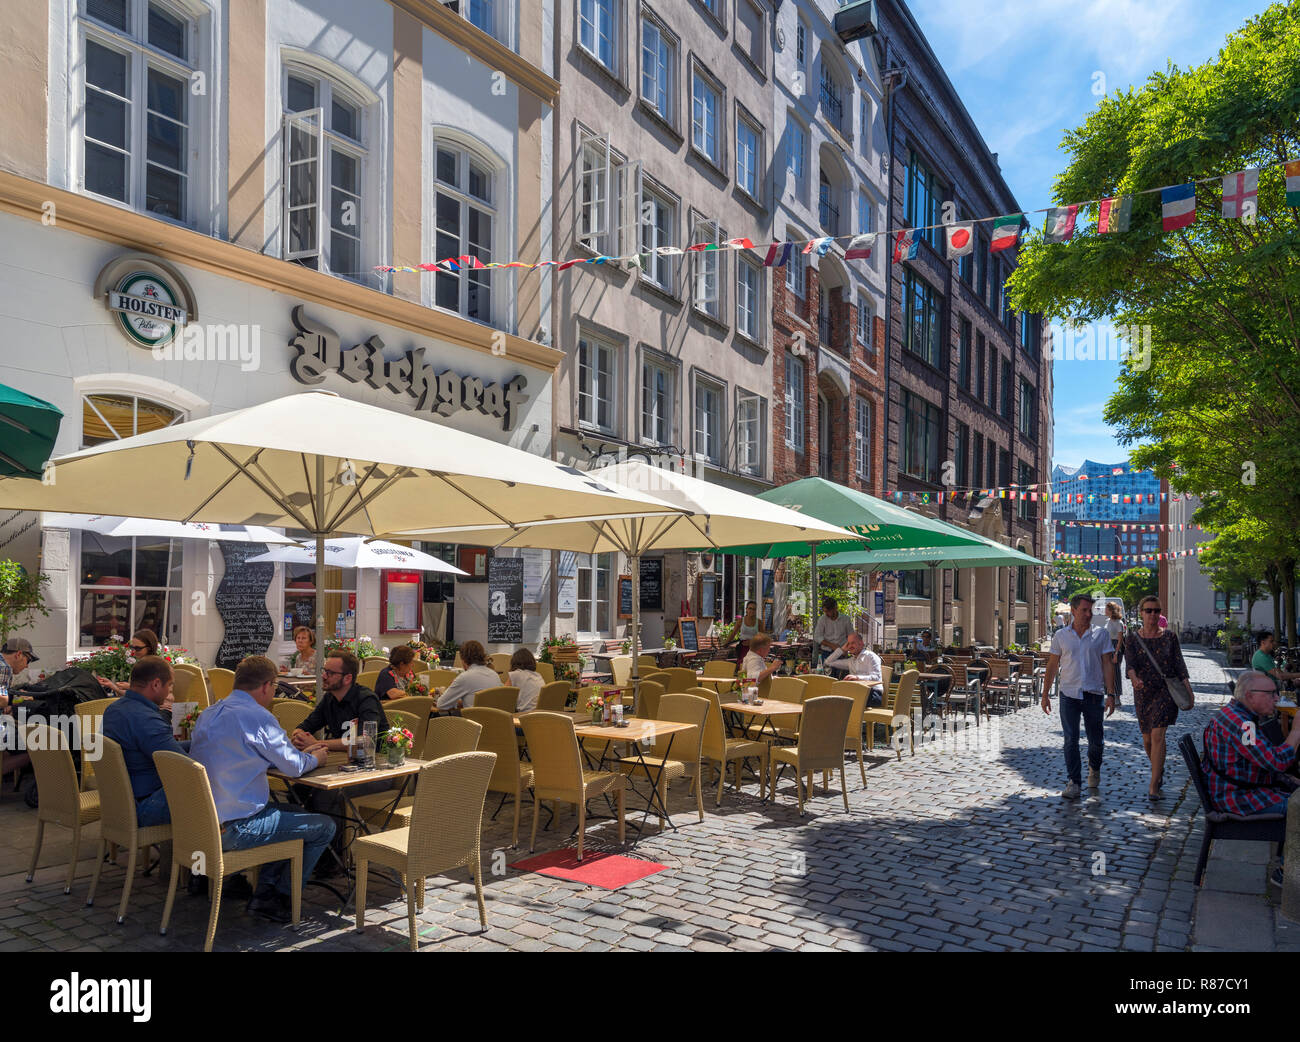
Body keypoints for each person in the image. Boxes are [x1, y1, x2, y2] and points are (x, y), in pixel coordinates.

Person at [188, 655, 333, 923]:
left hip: (201, 823)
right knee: (324, 826)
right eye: (275, 688)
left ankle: (265, 890)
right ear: (267, 686)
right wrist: (317, 758)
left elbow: (241, 752)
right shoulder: (257, 717)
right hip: (235, 827)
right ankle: (276, 898)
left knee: (292, 811)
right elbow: (294, 767)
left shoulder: (210, 712)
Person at [1041, 593, 1119, 799]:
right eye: (1084, 610)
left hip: (1094, 693)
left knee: (1096, 741)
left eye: (1090, 610)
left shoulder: (1100, 634)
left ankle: (1094, 767)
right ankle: (1074, 781)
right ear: (1073, 611)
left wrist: (1111, 694)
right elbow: (1052, 665)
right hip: (1069, 694)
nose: (1088, 614)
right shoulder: (1061, 636)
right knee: (1070, 739)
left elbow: (1107, 664)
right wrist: (1045, 693)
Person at [101, 656, 189, 827]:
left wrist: (196, 743)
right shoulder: (148, 721)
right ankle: (205, 846)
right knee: (212, 784)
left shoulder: (113, 709)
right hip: (145, 806)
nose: (170, 693)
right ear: (156, 684)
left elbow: (160, 748)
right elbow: (185, 767)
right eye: (170, 685)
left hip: (121, 801)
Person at [1202, 669, 1300, 819]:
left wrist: (1284, 778)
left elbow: (1262, 759)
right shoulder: (1243, 725)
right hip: (1241, 800)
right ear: (1249, 695)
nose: (1276, 698)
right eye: (1271, 693)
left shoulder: (1237, 715)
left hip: (1241, 791)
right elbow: (1277, 762)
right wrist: (1296, 731)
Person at [1122, 595, 1191, 800]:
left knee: (1158, 735)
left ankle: (1153, 785)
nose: (1153, 614)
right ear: (1141, 613)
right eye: (1149, 610)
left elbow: (1180, 665)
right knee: (1147, 738)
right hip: (1143, 692)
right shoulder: (1133, 638)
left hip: (1165, 691)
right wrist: (1134, 679)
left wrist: (1189, 689)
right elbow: (1130, 665)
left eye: (1156, 611)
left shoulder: (1170, 637)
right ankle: (1158, 771)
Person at [290, 650, 388, 753]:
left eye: (330, 673)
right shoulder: (329, 698)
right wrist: (298, 737)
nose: (323, 676)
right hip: (340, 760)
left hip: (372, 762)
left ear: (347, 678)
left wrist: (316, 743)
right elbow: (305, 726)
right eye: (324, 671)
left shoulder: (366, 699)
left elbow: (364, 741)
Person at [435, 641, 500, 711]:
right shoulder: (495, 675)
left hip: (472, 720)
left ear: (463, 659)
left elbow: (441, 705)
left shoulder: (465, 677)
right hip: (494, 719)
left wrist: (442, 691)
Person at [825, 632, 884, 706]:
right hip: (856, 692)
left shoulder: (871, 656)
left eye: (853, 643)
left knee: (843, 700)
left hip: (873, 693)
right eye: (848, 644)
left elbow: (876, 677)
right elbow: (828, 662)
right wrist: (842, 649)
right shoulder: (850, 661)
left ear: (861, 643)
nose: (850, 646)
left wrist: (857, 678)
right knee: (835, 696)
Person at [97, 629, 159, 696]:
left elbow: (154, 694)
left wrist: (131, 687)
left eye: (138, 648)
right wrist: (112, 685)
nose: (134, 651)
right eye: (132, 647)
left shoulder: (157, 667)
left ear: (149, 648)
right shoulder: (141, 665)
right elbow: (135, 695)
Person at [0, 637, 39, 707]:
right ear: (18, 655)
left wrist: (13, 694)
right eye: (28, 660)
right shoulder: (4, 667)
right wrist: (19, 699)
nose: (27, 666)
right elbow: (1, 701)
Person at [812, 598, 853, 664]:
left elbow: (851, 636)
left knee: (840, 673)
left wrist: (846, 649)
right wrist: (832, 645)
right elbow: (817, 636)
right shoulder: (822, 619)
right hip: (826, 652)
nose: (826, 614)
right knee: (826, 673)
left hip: (841, 653)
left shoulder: (846, 619)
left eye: (828, 611)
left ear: (835, 608)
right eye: (825, 612)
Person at [508, 648, 544, 712]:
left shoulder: (516, 674)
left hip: (524, 715)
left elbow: (502, 694)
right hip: (541, 713)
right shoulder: (538, 675)